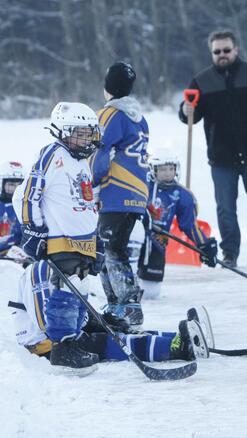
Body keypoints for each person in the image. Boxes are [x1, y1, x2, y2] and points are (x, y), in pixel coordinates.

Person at [179, 30, 247, 268]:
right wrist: (185, 111)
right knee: (226, 209)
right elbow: (190, 113)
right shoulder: (202, 80)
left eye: (226, 50)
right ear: (212, 53)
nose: (222, 55)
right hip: (221, 158)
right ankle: (230, 253)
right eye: (217, 52)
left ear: (236, 49)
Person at [12, 102, 104, 369]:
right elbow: (29, 193)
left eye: (89, 133)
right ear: (63, 132)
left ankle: (75, 341)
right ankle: (63, 347)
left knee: (82, 289)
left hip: (84, 243)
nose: (86, 138)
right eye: (80, 132)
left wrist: (97, 242)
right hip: (60, 240)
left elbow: (87, 205)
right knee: (66, 288)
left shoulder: (81, 162)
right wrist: (34, 230)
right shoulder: (53, 155)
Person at [9, 260, 208, 370]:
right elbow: (46, 322)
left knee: (118, 329)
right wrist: (89, 326)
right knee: (106, 340)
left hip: (60, 337)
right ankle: (176, 348)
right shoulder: (40, 268)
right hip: (48, 347)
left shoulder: (66, 263)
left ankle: (181, 337)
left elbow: (72, 309)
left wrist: (96, 320)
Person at [91, 61, 150, 330]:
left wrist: (91, 182)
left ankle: (129, 304)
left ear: (107, 88)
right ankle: (115, 305)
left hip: (116, 191)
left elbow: (98, 153)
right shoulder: (139, 116)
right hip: (138, 193)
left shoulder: (108, 114)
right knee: (109, 248)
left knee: (110, 248)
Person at [137, 152, 218, 299]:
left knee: (151, 292)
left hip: (157, 243)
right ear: (152, 170)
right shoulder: (142, 186)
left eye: (170, 169)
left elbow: (189, 225)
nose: (167, 173)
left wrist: (204, 245)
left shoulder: (183, 194)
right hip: (136, 238)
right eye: (162, 169)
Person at [0, 160, 25, 260]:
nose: (15, 189)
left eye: (19, 185)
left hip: (19, 254)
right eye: (11, 185)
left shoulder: (26, 206)